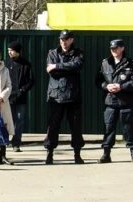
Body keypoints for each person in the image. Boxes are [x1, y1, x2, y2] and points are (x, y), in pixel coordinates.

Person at [96, 39, 133, 164]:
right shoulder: (105, 63)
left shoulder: (131, 63)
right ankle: (106, 154)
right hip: (110, 102)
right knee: (108, 128)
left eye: (116, 48)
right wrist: (106, 86)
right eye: (112, 49)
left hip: (126, 101)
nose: (114, 51)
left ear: (122, 48)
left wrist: (121, 87)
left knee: (129, 128)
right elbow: (98, 80)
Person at [44, 30, 85, 165]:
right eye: (62, 39)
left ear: (72, 40)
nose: (64, 42)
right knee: (53, 126)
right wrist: (64, 68)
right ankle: (49, 153)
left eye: (66, 39)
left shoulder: (78, 53)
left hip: (73, 96)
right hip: (55, 96)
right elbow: (51, 72)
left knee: (76, 127)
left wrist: (57, 66)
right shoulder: (52, 53)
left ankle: (77, 154)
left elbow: (77, 65)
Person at [5, 40, 34, 152]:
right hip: (8, 97)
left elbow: (31, 80)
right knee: (7, 120)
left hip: (21, 98)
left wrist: (23, 90)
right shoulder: (6, 64)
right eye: (8, 50)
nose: (10, 52)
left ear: (17, 51)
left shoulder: (26, 64)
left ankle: (16, 143)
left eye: (11, 50)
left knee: (20, 121)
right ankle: (4, 141)